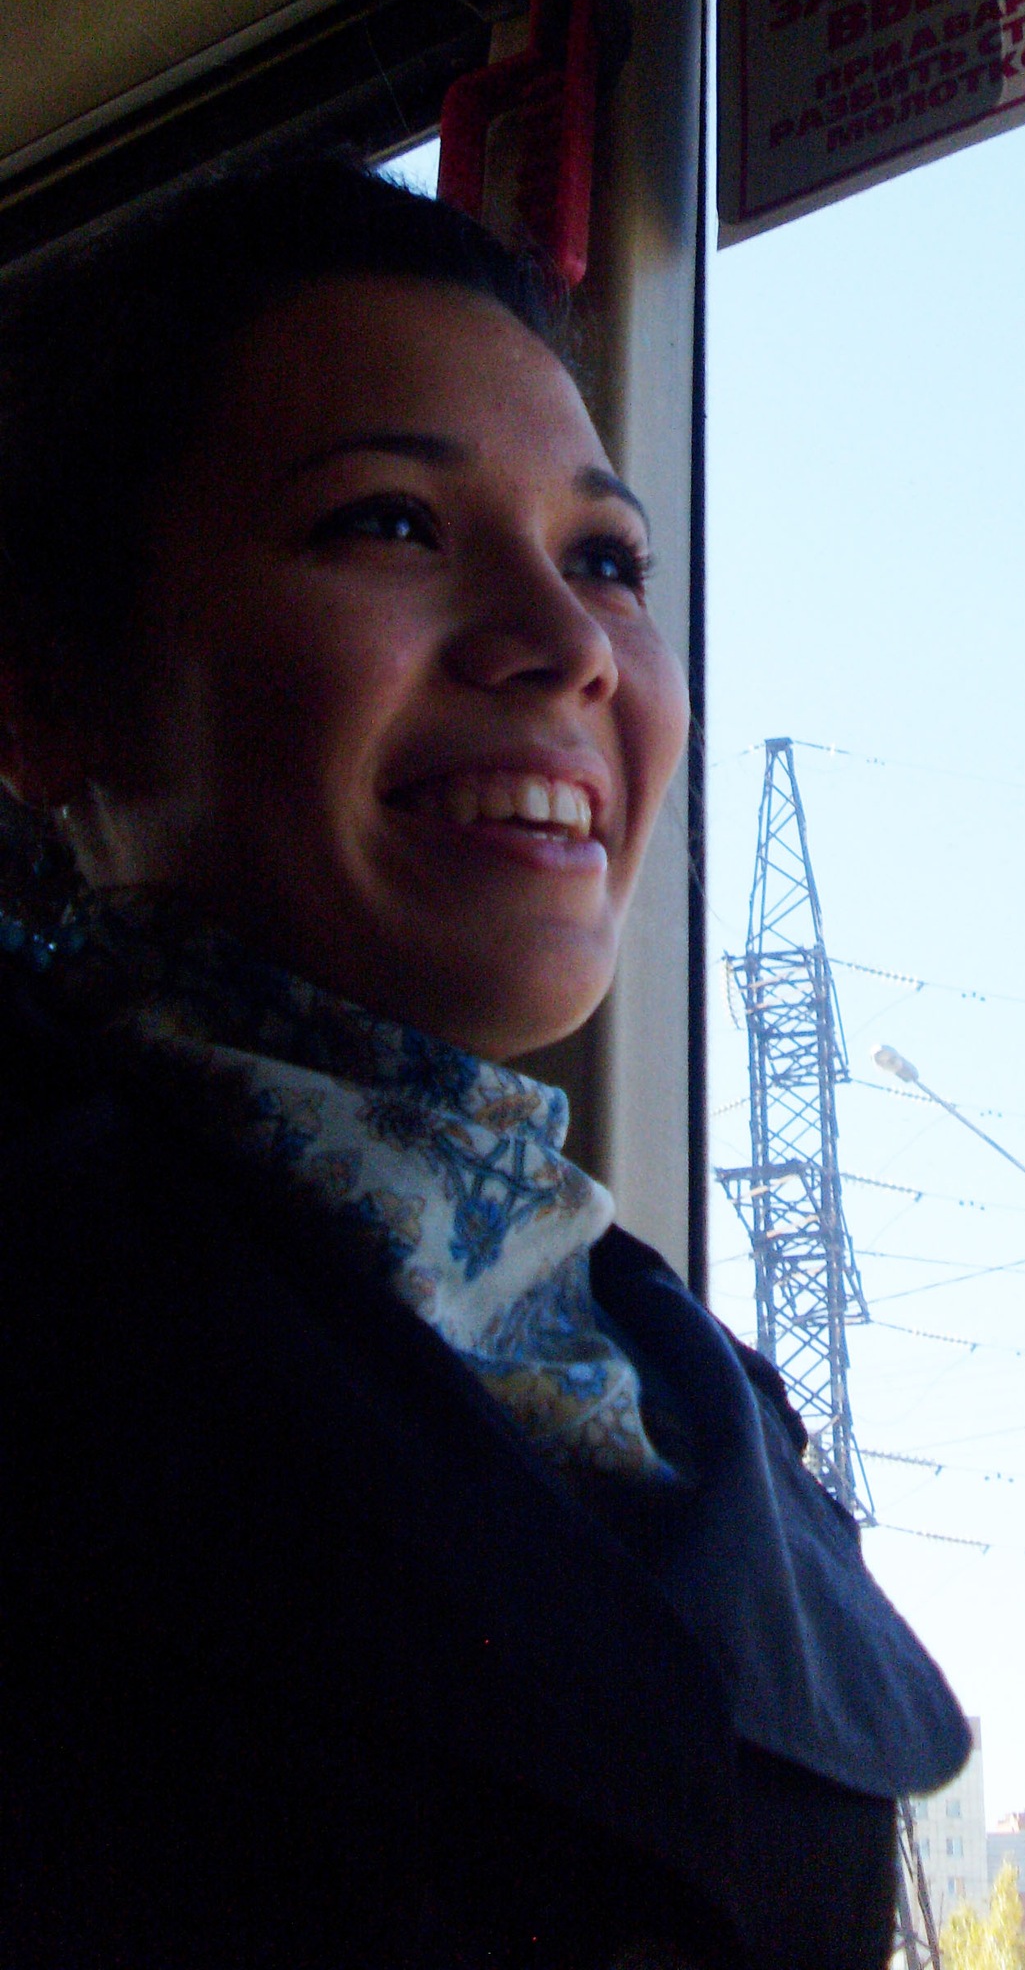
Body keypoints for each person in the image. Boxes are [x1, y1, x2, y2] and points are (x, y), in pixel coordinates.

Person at [0, 158, 969, 1970]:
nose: (570, 648)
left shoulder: (689, 1387)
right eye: (389, 524)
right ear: (49, 696)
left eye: (607, 561)